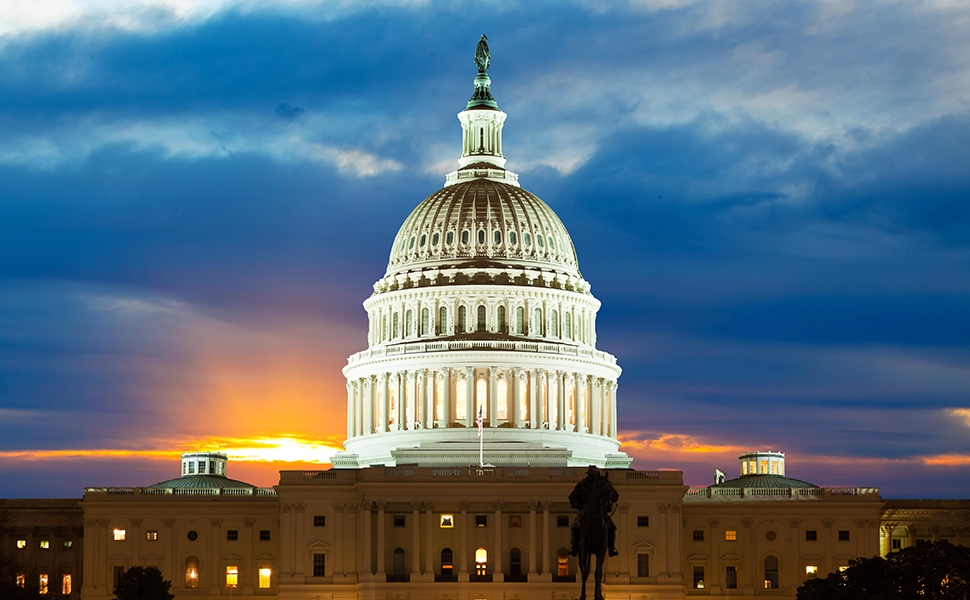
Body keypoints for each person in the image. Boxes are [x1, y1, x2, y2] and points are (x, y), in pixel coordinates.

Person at [568, 465, 619, 557]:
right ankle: (574, 547)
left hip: (600, 510)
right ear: (588, 475)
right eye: (591, 476)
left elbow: (607, 495)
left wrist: (607, 504)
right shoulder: (582, 484)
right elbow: (572, 497)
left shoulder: (600, 485)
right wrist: (579, 506)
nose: (592, 478)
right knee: (575, 525)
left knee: (612, 526)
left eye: (594, 476)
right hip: (585, 509)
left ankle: (611, 548)